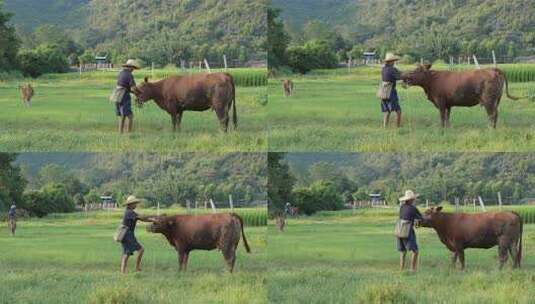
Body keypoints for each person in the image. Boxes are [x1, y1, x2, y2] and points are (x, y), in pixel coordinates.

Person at [119, 195, 152, 274]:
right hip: (127, 234)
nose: (136, 205)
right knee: (140, 250)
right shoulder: (129, 212)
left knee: (126, 253)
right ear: (130, 204)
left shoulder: (129, 211)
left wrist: (150, 218)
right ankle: (137, 268)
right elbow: (141, 218)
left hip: (125, 234)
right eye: (134, 203)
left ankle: (122, 272)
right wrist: (152, 219)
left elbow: (140, 217)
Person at [397, 190, 422, 272]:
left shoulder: (402, 207)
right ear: (411, 200)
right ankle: (413, 269)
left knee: (403, 252)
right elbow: (420, 218)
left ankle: (401, 269)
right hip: (407, 230)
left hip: (399, 229)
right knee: (415, 251)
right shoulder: (413, 208)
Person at [116, 59, 140, 134]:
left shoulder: (121, 73)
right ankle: (129, 133)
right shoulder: (129, 75)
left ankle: (120, 132)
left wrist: (134, 92)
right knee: (130, 115)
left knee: (122, 115)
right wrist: (138, 93)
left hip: (117, 94)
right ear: (129, 67)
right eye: (133, 68)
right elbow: (134, 88)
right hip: (124, 95)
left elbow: (125, 86)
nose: (133, 70)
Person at [381, 53, 402, 128]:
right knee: (398, 111)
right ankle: (398, 127)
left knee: (387, 111)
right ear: (389, 62)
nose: (394, 62)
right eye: (393, 61)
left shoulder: (383, 69)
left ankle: (385, 127)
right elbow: (400, 76)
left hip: (383, 92)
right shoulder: (392, 70)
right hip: (391, 92)